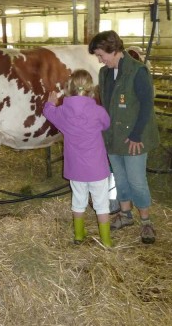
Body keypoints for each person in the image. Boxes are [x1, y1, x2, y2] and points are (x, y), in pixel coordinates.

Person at [88, 30, 160, 244]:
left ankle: (146, 222)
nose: (100, 60)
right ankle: (126, 215)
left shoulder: (138, 71)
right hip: (112, 136)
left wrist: (137, 135)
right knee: (119, 178)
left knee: (137, 181)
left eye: (102, 55)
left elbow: (147, 105)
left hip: (134, 136)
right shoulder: (105, 73)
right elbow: (106, 104)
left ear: (114, 49)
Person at [43, 69, 113, 247]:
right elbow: (107, 124)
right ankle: (106, 242)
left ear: (68, 88)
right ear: (90, 89)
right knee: (102, 205)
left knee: (78, 202)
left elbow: (48, 112)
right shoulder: (98, 111)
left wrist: (50, 103)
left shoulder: (62, 112)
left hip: (76, 170)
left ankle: (79, 236)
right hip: (97, 169)